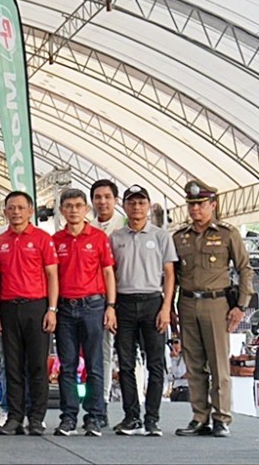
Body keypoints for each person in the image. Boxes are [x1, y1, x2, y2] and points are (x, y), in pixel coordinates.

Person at [172, 180, 255, 437]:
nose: (195, 209)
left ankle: (221, 417)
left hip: (216, 303)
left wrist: (241, 305)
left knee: (219, 363)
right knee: (194, 363)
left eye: (200, 204)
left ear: (213, 205)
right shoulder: (180, 237)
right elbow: (172, 275)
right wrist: (170, 306)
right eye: (191, 204)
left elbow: (244, 269)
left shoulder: (227, 233)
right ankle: (199, 417)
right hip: (187, 302)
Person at [110, 185, 176, 437]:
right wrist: (111, 307)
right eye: (131, 202)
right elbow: (110, 274)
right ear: (124, 206)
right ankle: (131, 417)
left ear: (148, 206)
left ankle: (152, 419)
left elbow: (169, 274)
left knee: (155, 364)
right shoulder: (115, 237)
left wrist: (166, 307)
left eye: (141, 202)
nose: (136, 207)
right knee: (126, 364)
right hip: (124, 303)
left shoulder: (161, 236)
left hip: (152, 302)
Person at [0, 191, 58, 436]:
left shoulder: (42, 239)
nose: (16, 212)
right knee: (12, 365)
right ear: (5, 212)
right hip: (8, 308)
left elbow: (52, 275)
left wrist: (52, 309)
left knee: (38, 366)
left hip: (37, 307)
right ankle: (15, 417)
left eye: (21, 207)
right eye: (11, 208)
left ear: (30, 211)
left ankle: (37, 418)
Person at [52, 189, 116, 437]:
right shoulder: (56, 240)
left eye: (78, 205)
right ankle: (68, 417)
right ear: (62, 210)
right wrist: (52, 309)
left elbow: (108, 272)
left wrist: (111, 306)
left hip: (93, 306)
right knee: (67, 366)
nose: (74, 210)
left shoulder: (98, 238)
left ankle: (95, 416)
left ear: (86, 209)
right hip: (65, 309)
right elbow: (52, 277)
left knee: (94, 364)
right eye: (68, 206)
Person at [90, 179, 126, 428]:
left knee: (129, 355)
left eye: (107, 197)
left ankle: (135, 411)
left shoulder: (126, 226)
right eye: (98, 197)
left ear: (116, 200)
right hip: (98, 299)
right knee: (101, 352)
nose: (102, 202)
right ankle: (100, 404)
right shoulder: (86, 227)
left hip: (129, 297)